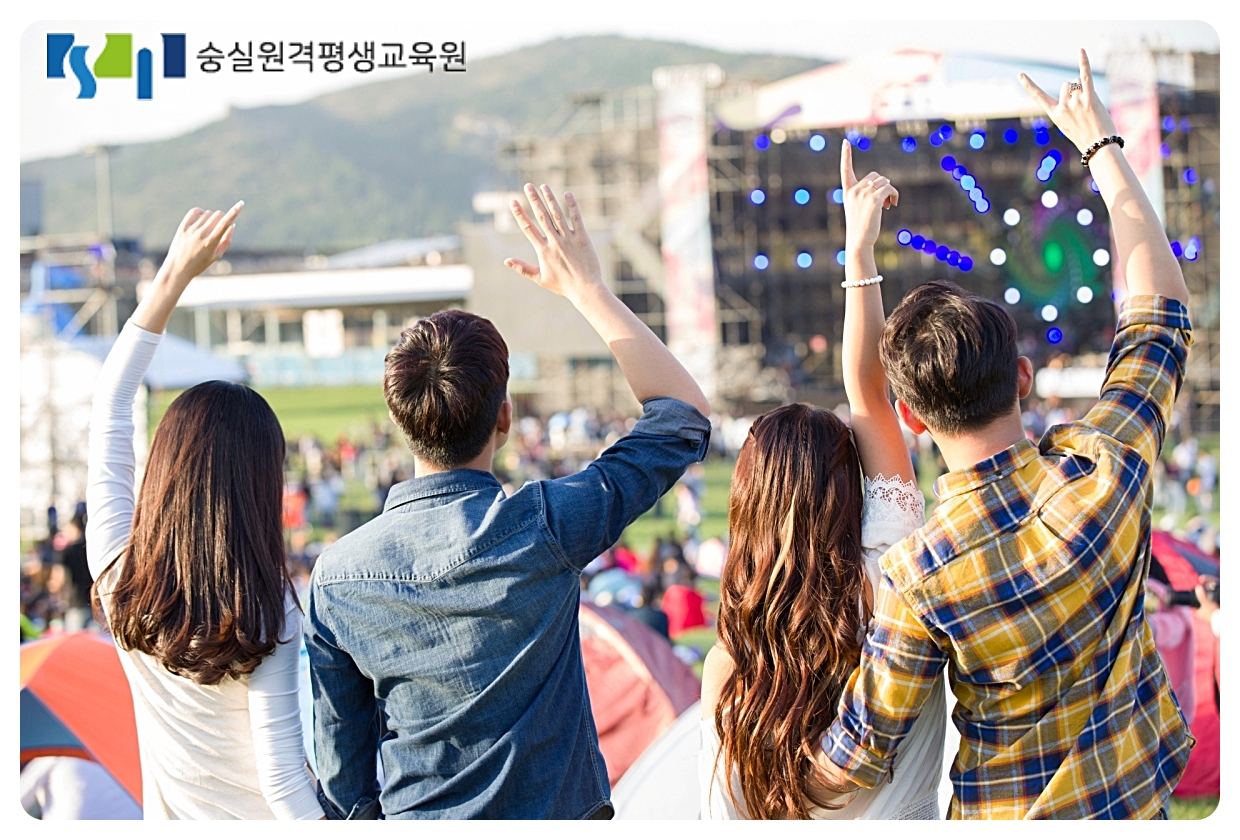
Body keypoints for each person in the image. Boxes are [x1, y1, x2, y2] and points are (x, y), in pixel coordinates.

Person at [811, 49, 1195, 819]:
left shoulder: (920, 574)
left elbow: (850, 760)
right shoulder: (1107, 467)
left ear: (913, 418)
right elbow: (1159, 313)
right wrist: (1101, 148)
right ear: (1023, 378)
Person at [306, 183, 711, 819]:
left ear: (399, 418)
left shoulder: (336, 576)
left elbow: (344, 789)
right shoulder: (544, 526)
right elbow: (682, 417)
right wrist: (588, 290)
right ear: (505, 418)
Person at [699, 141, 944, 819]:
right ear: (848, 485)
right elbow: (869, 393)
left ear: (747, 505)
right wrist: (859, 254)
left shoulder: (729, 666)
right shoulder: (891, 573)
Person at [86, 202, 324, 820]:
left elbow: (111, 405)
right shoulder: (266, 605)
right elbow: (283, 785)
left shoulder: (118, 577)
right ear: (259, 486)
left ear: (166, 468)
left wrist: (172, 276)